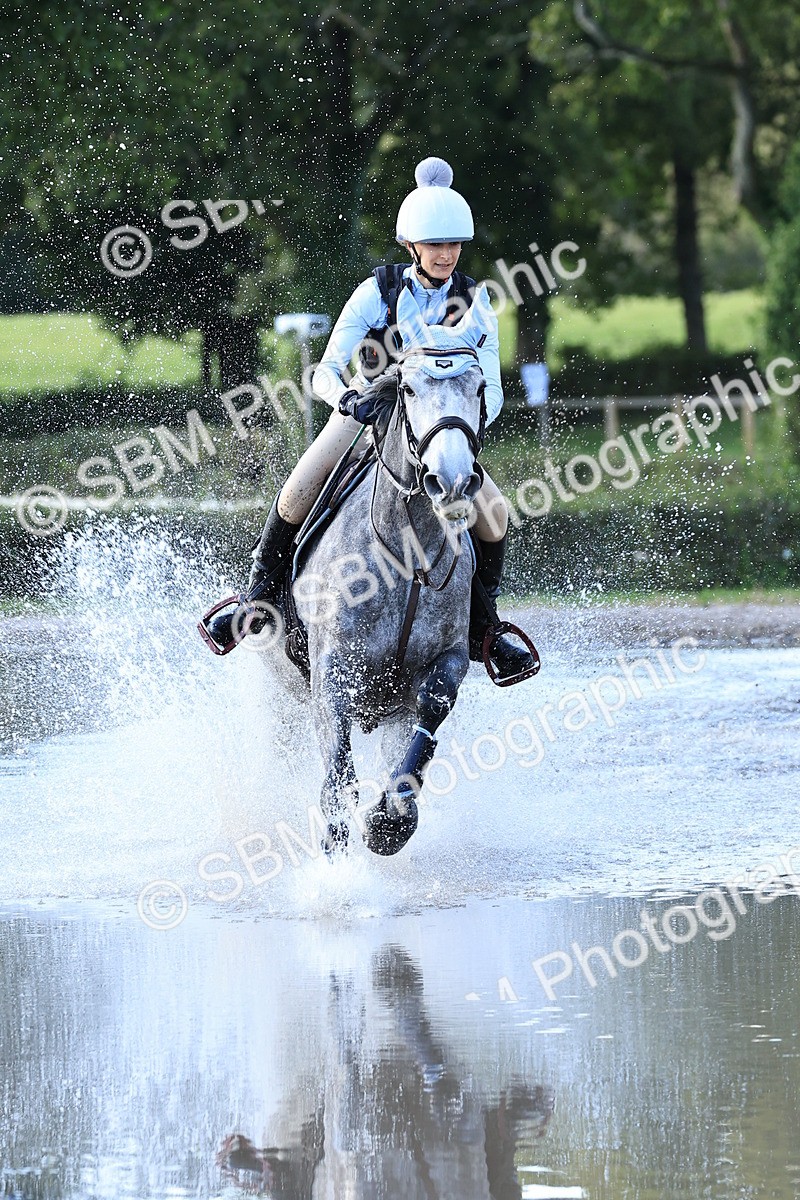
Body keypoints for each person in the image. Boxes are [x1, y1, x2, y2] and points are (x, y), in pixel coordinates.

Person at [210, 157, 534, 681]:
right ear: (413, 246)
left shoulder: (476, 302)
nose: (447, 254)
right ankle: (255, 599)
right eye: (436, 245)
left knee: (494, 516)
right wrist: (347, 400)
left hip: (435, 433)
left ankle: (486, 629)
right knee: (298, 491)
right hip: (367, 415)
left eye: (453, 244)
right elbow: (325, 373)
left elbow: (492, 391)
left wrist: (461, 426)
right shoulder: (377, 292)